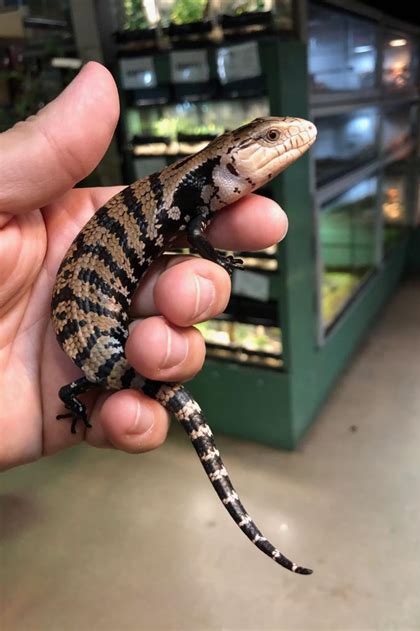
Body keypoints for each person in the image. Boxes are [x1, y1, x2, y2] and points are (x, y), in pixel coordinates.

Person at [0, 62, 288, 471]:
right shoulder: (197, 196)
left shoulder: (195, 196)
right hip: (87, 310)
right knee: (150, 358)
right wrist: (218, 258)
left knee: (154, 356)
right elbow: (197, 234)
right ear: (231, 158)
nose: (285, 140)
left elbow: (195, 232)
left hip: (87, 308)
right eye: (273, 138)